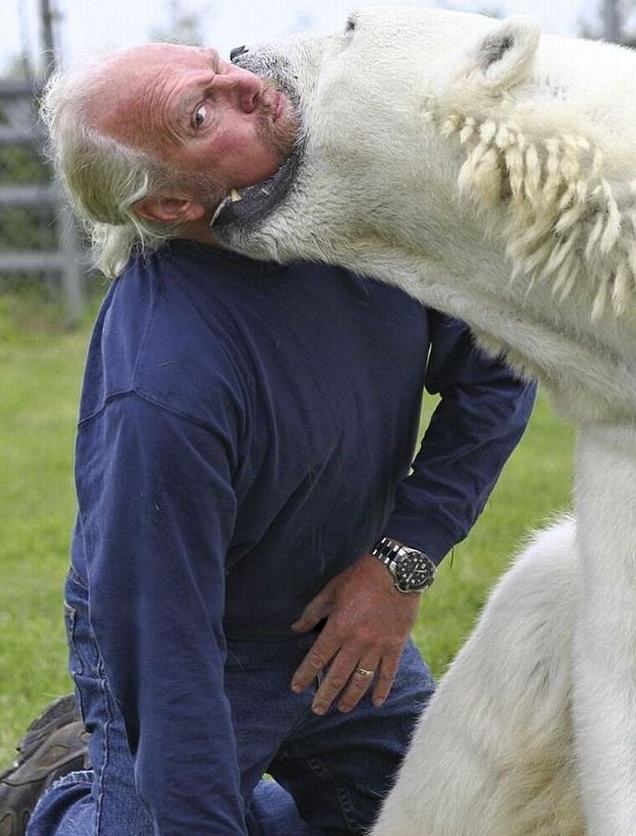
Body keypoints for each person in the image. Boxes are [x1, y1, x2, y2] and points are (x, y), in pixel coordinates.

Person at [0, 43, 536, 836]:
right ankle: (58, 794)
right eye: (200, 112)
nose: (246, 86)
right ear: (171, 206)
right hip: (194, 644)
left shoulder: (366, 215)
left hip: (347, 612)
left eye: (217, 66)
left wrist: (398, 565)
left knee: (464, 818)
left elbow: (499, 370)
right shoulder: (165, 386)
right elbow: (167, 648)